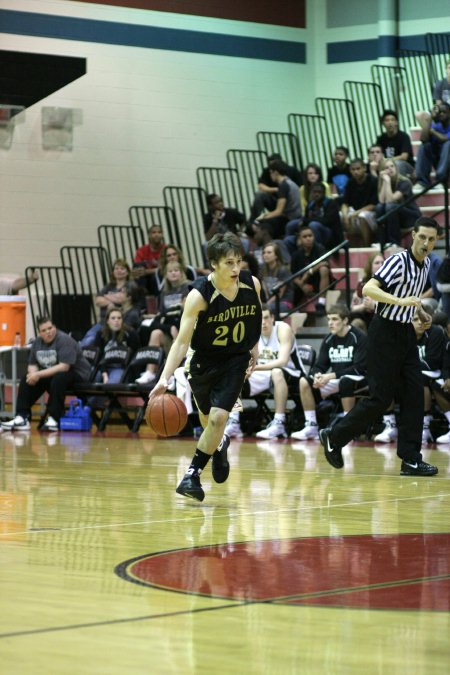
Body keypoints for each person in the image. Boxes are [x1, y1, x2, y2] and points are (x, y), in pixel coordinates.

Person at [319, 217, 440, 477]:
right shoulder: (398, 260)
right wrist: (399, 301)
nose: (426, 243)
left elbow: (411, 298)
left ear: (436, 241)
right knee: (379, 398)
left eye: (431, 239)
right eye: (422, 237)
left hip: (406, 333)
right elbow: (369, 289)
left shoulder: (426, 263)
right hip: (383, 333)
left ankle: (410, 459)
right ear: (413, 235)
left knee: (414, 395)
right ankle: (334, 436)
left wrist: (419, 314)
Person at [147, 233, 262, 502]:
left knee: (218, 419)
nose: (236, 269)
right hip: (202, 362)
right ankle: (219, 446)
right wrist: (164, 378)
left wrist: (253, 349)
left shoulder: (251, 283)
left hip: (235, 359)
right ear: (213, 264)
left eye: (239, 262)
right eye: (229, 263)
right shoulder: (199, 295)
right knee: (207, 420)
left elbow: (254, 315)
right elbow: (180, 342)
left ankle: (192, 475)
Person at [1, 316, 91, 432]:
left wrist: (38, 375)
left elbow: (64, 367)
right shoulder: (37, 343)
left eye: (50, 328)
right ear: (40, 333)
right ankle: (22, 417)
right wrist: (33, 375)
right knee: (26, 379)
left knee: (59, 378)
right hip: (55, 374)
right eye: (44, 330)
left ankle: (55, 418)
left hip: (77, 374)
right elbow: (32, 364)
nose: (48, 332)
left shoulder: (64, 340)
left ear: (55, 327)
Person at [291, 305, 367, 440]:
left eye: (334, 319)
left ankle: (348, 427)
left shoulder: (358, 337)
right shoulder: (329, 339)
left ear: (345, 321)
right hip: (336, 378)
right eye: (328, 319)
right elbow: (320, 365)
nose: (330, 323)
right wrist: (317, 376)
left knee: (346, 381)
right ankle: (311, 425)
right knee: (304, 381)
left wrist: (330, 376)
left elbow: (359, 368)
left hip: (358, 379)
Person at [224, 305, 300, 439]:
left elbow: (283, 361)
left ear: (272, 318)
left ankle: (279, 422)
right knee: (235, 373)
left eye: (266, 318)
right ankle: (234, 422)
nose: (263, 322)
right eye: (260, 319)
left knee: (276, 372)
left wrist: (255, 368)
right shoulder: (253, 332)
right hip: (264, 374)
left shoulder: (282, 329)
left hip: (292, 373)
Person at [375, 311, 447, 444]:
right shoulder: (403, 334)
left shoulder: (435, 332)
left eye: (421, 319)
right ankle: (390, 425)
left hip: (433, 372)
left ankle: (424, 427)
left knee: (421, 379)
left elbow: (432, 362)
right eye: (415, 319)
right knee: (386, 379)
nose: (420, 322)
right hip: (410, 371)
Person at [136, 260, 191, 384]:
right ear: (165, 275)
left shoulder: (189, 287)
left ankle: (175, 372)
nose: (173, 274)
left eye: (176, 270)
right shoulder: (164, 293)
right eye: (170, 271)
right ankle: (150, 371)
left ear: (182, 273)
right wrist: (170, 328)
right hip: (171, 331)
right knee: (156, 333)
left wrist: (174, 327)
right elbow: (160, 317)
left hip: (186, 331)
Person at [375, 158, 421, 246]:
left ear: (396, 168)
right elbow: (381, 201)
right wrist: (384, 181)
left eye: (392, 166)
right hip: (397, 215)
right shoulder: (384, 181)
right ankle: (381, 242)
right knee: (379, 207)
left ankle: (394, 242)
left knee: (390, 206)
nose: (390, 169)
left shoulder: (405, 182)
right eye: (386, 168)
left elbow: (391, 200)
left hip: (411, 216)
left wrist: (387, 181)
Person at [248, 153, 302, 223]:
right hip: (276, 200)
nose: (271, 167)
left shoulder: (289, 177)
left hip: (289, 208)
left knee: (263, 222)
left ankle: (255, 223)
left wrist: (263, 217)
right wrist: (276, 190)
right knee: (260, 195)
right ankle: (252, 221)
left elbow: (279, 211)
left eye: (274, 166)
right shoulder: (269, 172)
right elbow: (260, 186)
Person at [290, 225, 330, 315]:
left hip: (318, 279)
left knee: (324, 269)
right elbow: (293, 275)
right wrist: (302, 285)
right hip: (303, 284)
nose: (308, 238)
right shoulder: (296, 254)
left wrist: (309, 272)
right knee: (293, 284)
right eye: (305, 237)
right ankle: (293, 308)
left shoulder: (320, 248)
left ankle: (321, 302)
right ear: (300, 239)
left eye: (310, 235)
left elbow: (325, 263)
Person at [255, 160, 302, 238]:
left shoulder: (284, 186)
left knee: (263, 224)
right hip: (295, 215)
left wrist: (263, 217)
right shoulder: (290, 183)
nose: (270, 175)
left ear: (275, 172)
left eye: (271, 172)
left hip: (291, 217)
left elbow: (278, 211)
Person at [93, 308, 140, 384]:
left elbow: (135, 356)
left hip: (120, 368)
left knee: (111, 384)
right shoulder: (100, 334)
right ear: (108, 321)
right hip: (102, 368)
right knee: (91, 379)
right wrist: (104, 373)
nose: (116, 320)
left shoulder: (130, 334)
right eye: (113, 318)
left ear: (122, 320)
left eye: (119, 318)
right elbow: (98, 357)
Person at [341, 158, 378, 246]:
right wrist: (345, 216)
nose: (355, 172)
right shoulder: (350, 182)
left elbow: (373, 205)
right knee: (340, 215)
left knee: (362, 216)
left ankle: (366, 246)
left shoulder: (373, 181)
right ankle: (352, 247)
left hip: (372, 214)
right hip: (356, 212)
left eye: (358, 169)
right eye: (353, 169)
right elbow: (345, 203)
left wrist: (355, 213)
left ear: (364, 168)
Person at [415, 102, 450, 191]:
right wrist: (431, 117)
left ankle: (440, 180)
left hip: (447, 164)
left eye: (444, 112)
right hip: (439, 160)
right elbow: (423, 139)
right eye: (440, 112)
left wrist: (432, 131)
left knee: (448, 144)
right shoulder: (436, 126)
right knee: (425, 145)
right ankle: (422, 181)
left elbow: (444, 138)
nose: (441, 114)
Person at [350, 252, 385, 332]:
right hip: (365, 315)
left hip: (382, 316)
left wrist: (374, 305)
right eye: (377, 263)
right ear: (370, 266)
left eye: (383, 263)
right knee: (356, 321)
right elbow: (353, 308)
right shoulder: (362, 282)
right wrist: (364, 306)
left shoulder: (390, 282)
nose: (380, 265)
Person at [302, 182, 343, 249]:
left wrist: (308, 220)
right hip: (311, 231)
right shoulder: (310, 205)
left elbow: (327, 221)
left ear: (324, 193)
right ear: (311, 193)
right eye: (314, 192)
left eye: (319, 192)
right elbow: (305, 220)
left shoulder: (331, 203)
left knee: (313, 225)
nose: (316, 194)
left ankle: (318, 250)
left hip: (330, 233)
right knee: (291, 225)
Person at [375, 109, 414, 178]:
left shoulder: (403, 136)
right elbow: (378, 155)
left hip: (406, 166)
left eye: (392, 120)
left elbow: (404, 157)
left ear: (396, 122)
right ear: (383, 123)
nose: (390, 122)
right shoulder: (381, 139)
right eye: (387, 120)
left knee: (397, 164)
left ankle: (401, 186)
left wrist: (387, 161)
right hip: (388, 165)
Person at [260, 242, 294, 314]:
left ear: (276, 256)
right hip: (270, 302)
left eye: (269, 253)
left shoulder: (283, 270)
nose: (265, 255)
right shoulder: (263, 269)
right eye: (264, 253)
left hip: (284, 302)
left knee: (265, 309)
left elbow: (279, 294)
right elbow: (265, 292)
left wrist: (266, 305)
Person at [132, 224, 166, 290]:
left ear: (162, 235)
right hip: (145, 280)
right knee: (138, 266)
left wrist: (147, 271)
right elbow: (137, 270)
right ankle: (142, 293)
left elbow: (167, 267)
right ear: (149, 235)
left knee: (158, 274)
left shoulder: (166, 249)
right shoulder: (141, 250)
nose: (157, 234)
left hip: (161, 278)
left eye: (159, 232)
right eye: (154, 232)